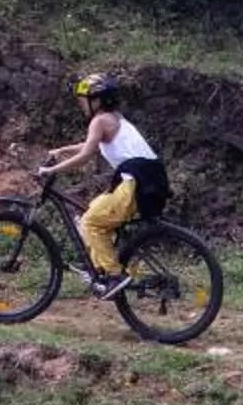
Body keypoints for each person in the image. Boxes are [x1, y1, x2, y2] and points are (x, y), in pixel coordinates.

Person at [39, 70, 168, 300]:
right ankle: (101, 270)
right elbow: (91, 144)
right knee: (91, 212)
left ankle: (113, 275)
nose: (81, 105)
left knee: (90, 222)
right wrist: (62, 151)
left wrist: (51, 170)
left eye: (83, 101)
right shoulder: (114, 118)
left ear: (97, 100)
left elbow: (86, 154)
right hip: (145, 183)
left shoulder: (100, 120)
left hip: (134, 185)